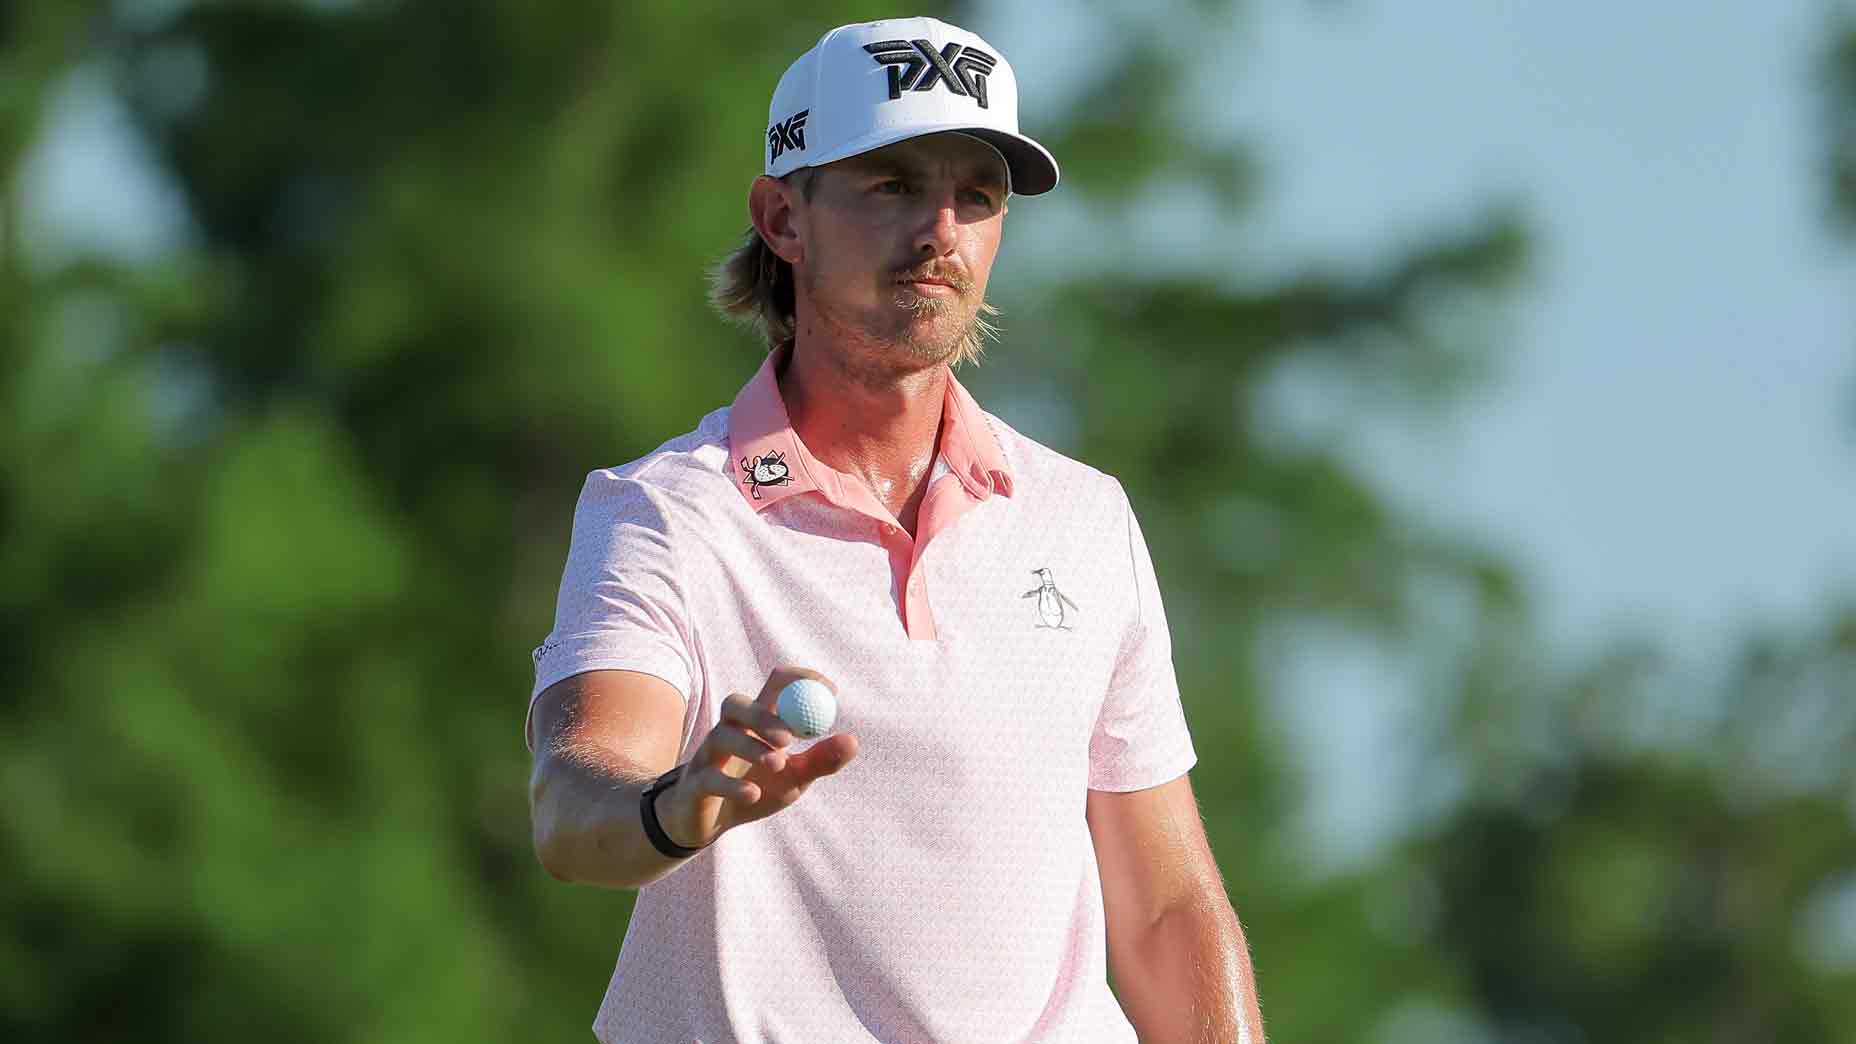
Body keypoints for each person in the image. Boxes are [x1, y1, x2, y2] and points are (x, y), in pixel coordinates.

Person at [527, 15, 1264, 1044]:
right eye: (891, 186)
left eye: (977, 196)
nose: (940, 231)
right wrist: (673, 805)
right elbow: (573, 801)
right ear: (783, 219)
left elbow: (1164, 910)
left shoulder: (1083, 517)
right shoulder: (667, 512)